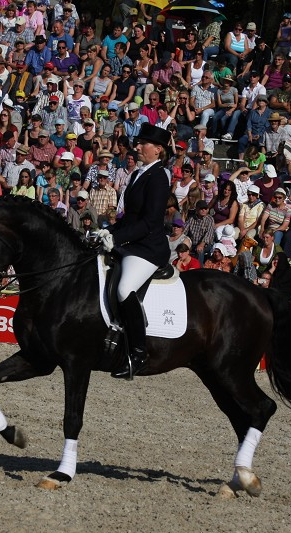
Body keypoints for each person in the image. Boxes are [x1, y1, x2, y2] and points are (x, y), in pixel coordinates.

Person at [97, 124, 171, 379]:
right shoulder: (140, 173)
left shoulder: (160, 177)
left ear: (158, 149)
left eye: (143, 143)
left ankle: (138, 354)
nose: (137, 147)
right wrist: (108, 231)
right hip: (132, 242)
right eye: (137, 143)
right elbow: (131, 217)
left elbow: (150, 222)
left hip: (149, 248)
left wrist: (116, 237)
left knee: (124, 288)